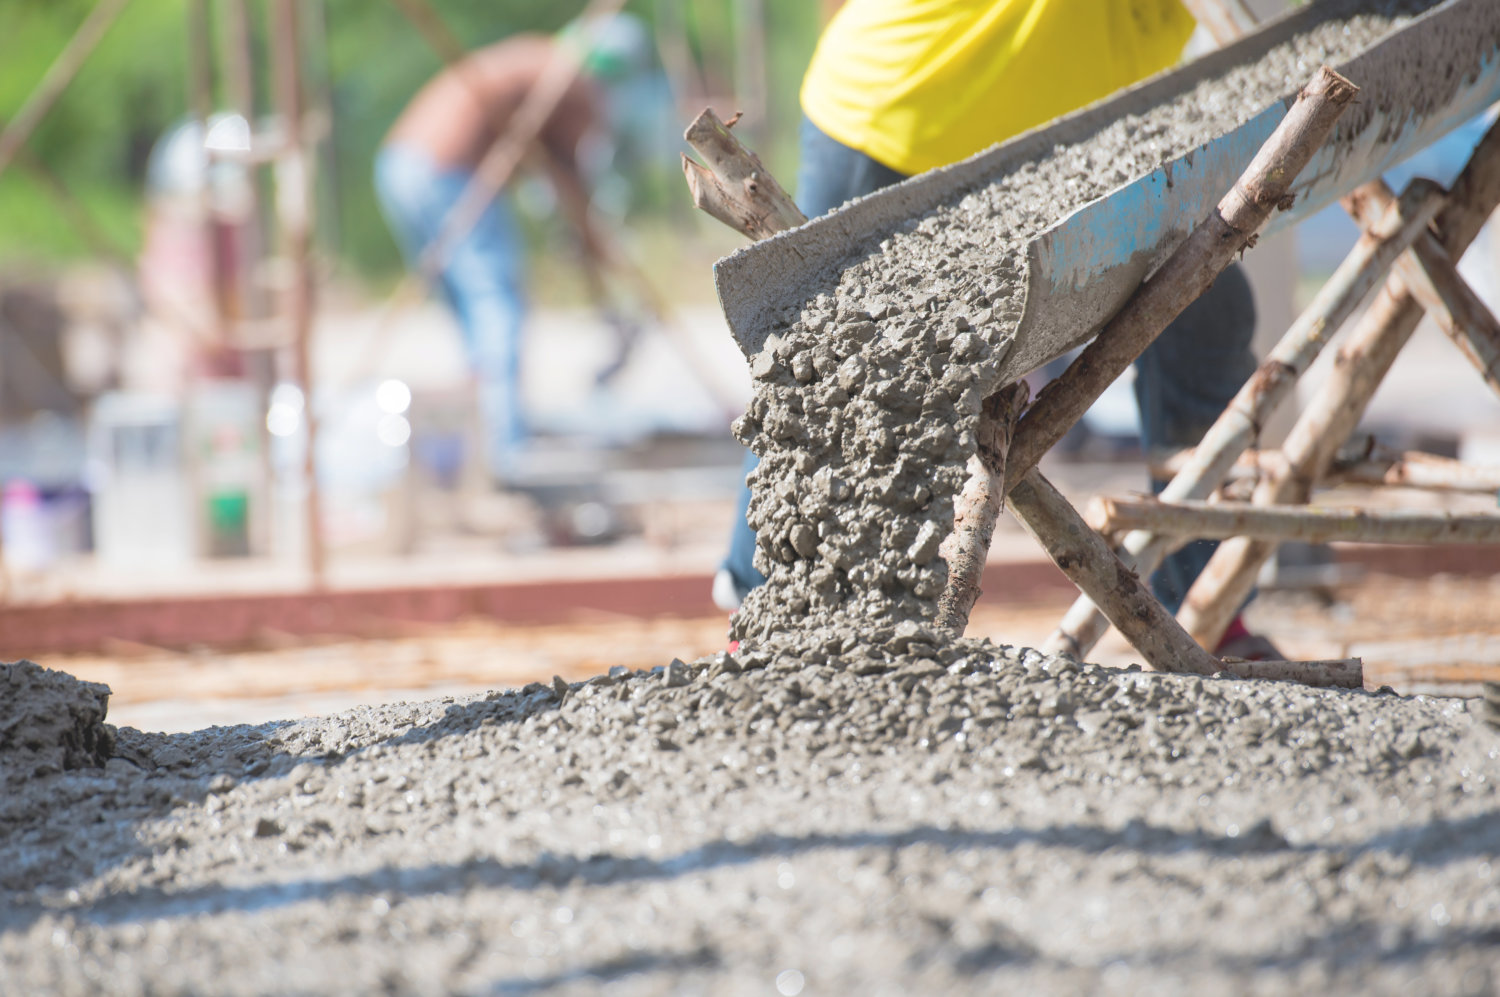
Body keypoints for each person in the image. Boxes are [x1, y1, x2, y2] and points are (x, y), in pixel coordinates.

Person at [713, 0, 1277, 659]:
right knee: (835, 367)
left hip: (1075, 136)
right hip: (905, 111)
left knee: (1205, 311)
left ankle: (1209, 607)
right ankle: (768, 621)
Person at [374, 17, 649, 481]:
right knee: (496, 301)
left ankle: (482, 431)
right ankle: (505, 449)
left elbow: (558, 177)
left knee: (470, 313)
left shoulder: (537, 62)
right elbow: (572, 181)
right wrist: (601, 253)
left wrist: (586, 242)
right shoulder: (572, 81)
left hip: (401, 166)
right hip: (447, 171)